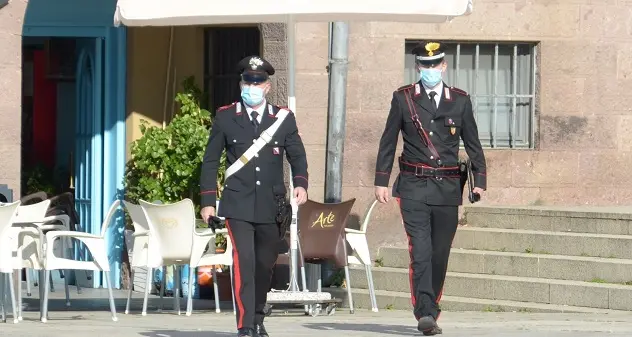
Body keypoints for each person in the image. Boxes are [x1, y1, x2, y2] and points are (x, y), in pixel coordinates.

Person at [373, 41, 487, 335]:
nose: (430, 70)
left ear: (444, 66)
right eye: (425, 65)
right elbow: (388, 141)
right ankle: (425, 312)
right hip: (412, 186)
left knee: (439, 252)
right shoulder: (404, 99)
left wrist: (480, 182)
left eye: (435, 65)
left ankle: (432, 306)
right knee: (420, 250)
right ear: (418, 67)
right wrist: (381, 181)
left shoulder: (459, 101)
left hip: (448, 189)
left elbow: (473, 143)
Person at [199, 55, 309, 337]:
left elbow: (296, 153)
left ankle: (258, 315)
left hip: (271, 205)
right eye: (248, 81)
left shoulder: (282, 118)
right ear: (240, 84)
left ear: (268, 86)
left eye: (258, 82)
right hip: (238, 205)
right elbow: (211, 161)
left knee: (264, 265)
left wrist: (300, 182)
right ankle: (246, 325)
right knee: (244, 262)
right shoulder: (226, 117)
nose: (252, 86)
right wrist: (208, 202)